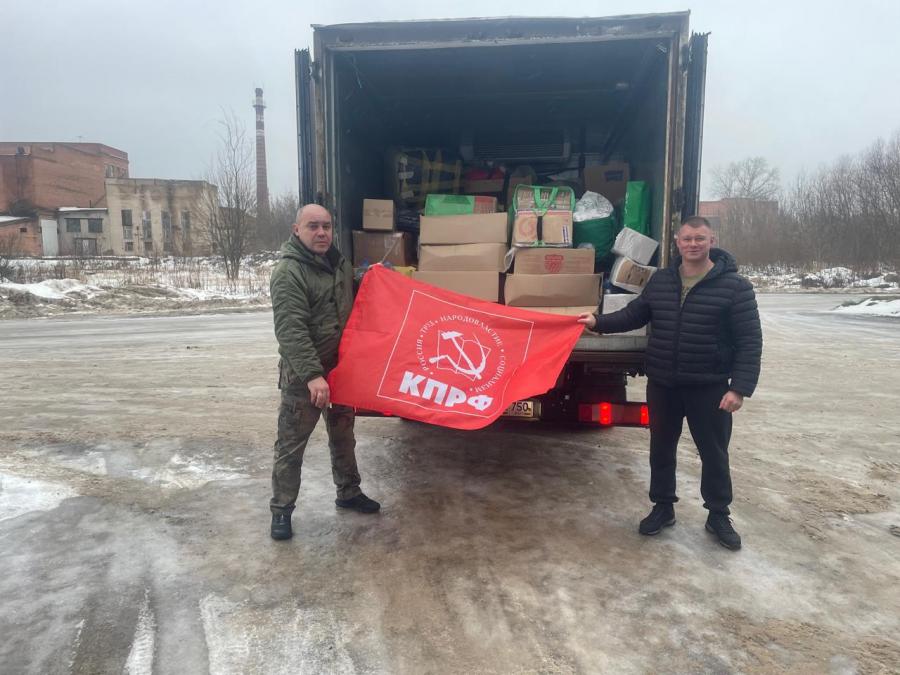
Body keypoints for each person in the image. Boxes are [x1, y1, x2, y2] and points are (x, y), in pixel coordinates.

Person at [578, 216, 762, 550]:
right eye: (687, 238)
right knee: (661, 449)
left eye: (700, 238)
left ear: (712, 241)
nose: (693, 244)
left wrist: (739, 388)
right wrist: (598, 321)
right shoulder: (662, 280)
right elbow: (635, 314)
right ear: (677, 242)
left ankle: (718, 514)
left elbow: (750, 341)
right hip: (663, 383)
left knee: (714, 453)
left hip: (709, 385)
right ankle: (663, 507)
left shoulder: (735, 287)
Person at [268, 204, 380, 541]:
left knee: (344, 436)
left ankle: (348, 492)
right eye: (313, 226)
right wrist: (313, 375)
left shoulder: (337, 263)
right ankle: (281, 510)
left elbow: (348, 298)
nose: (321, 233)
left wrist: (370, 278)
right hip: (305, 378)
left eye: (326, 226)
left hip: (340, 371)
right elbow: (291, 330)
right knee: (291, 446)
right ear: (296, 230)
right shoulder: (289, 272)